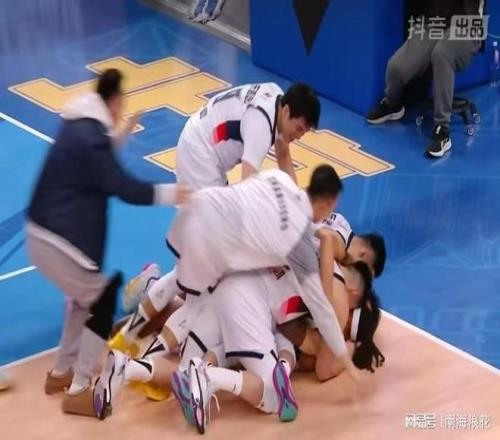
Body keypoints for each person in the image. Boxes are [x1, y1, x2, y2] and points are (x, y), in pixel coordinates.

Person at [110, 82, 321, 357]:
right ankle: (144, 349)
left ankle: (137, 322)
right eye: (299, 128)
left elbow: (283, 155)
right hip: (200, 162)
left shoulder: (278, 103)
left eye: (304, 132)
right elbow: (248, 189)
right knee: (206, 277)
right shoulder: (260, 124)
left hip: (203, 153)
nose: (299, 136)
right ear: (287, 111)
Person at [26, 68, 189, 417]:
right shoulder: (91, 139)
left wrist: (123, 133)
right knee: (102, 300)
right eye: (121, 104)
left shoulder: (78, 126)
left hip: (43, 234)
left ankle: (61, 373)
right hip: (60, 241)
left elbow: (97, 162)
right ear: (113, 101)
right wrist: (172, 193)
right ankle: (79, 389)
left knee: (82, 300)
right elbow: (122, 187)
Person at [366, 0, 484, 158]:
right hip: (435, 21)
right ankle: (392, 105)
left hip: (466, 25)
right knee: (397, 67)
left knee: (442, 53)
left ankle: (442, 130)